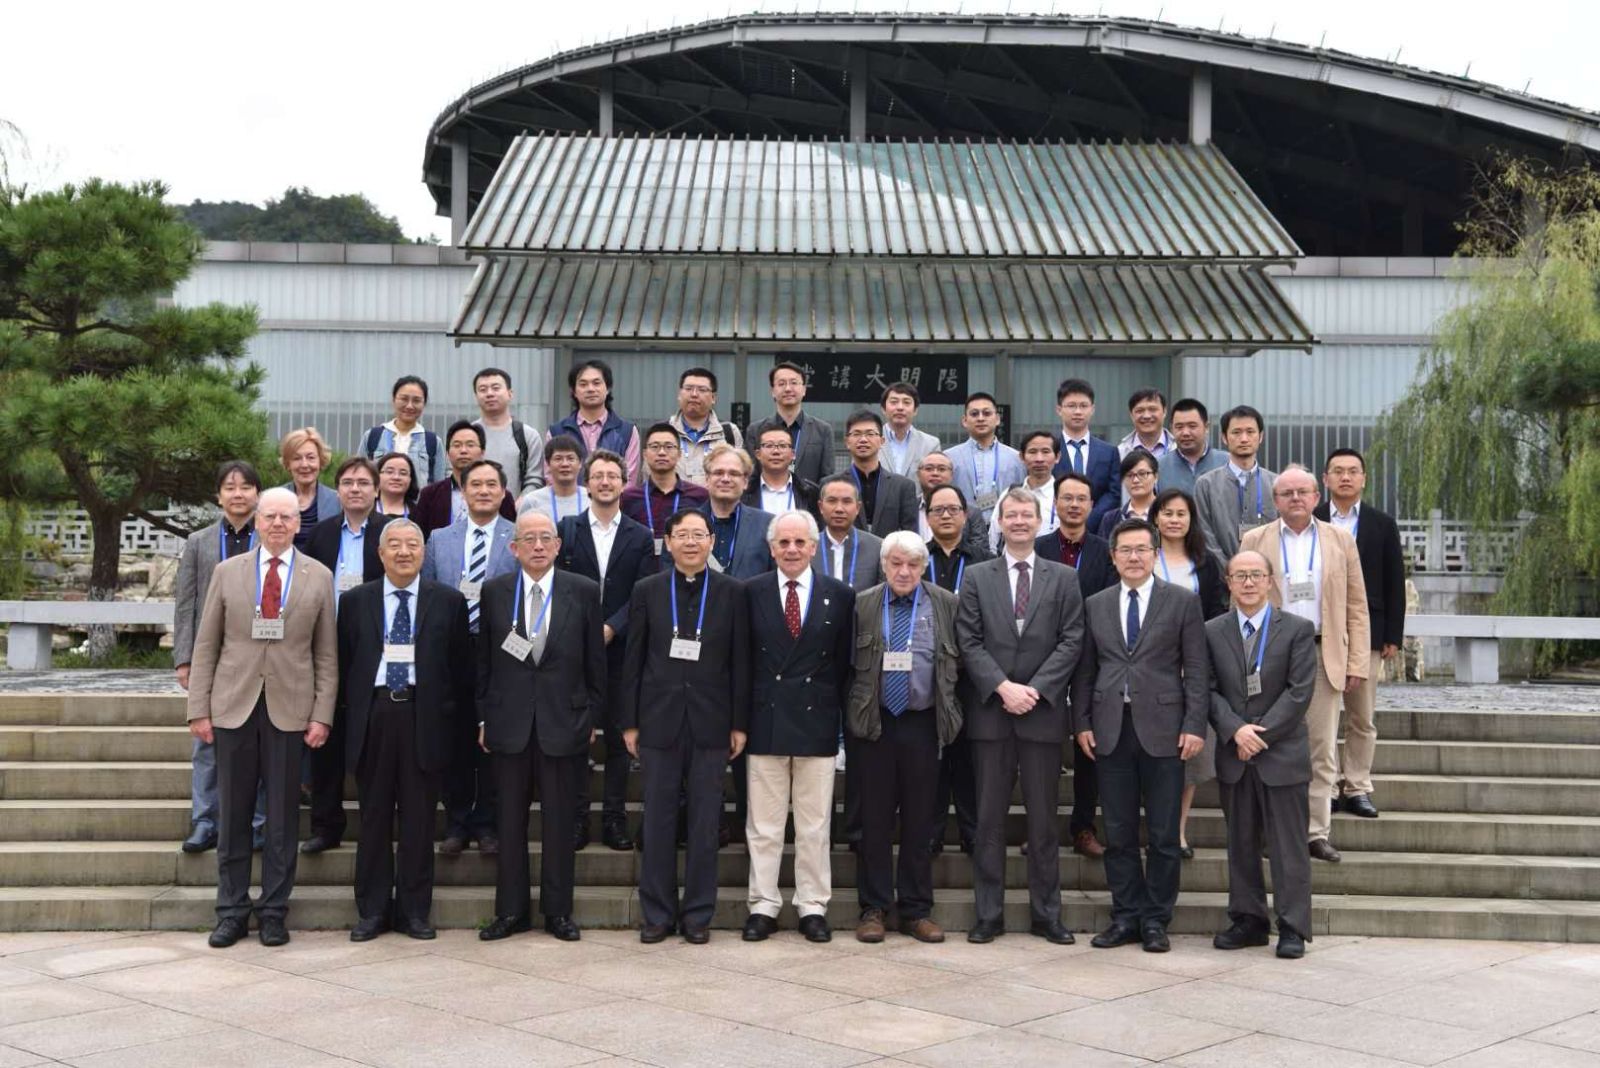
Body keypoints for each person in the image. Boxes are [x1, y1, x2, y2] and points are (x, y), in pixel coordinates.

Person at [186, 487, 338, 949]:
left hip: (290, 711)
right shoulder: (227, 572)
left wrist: (322, 714)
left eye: (286, 517)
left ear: (297, 524)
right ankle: (231, 911)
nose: (277, 524)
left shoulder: (318, 576)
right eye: (269, 516)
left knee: (282, 820)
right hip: (233, 706)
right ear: (256, 521)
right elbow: (207, 644)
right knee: (232, 816)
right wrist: (199, 708)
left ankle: (274, 910)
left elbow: (326, 654)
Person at [1071, 519, 1209, 954]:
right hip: (1110, 729)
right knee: (1118, 830)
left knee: (1164, 834)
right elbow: (1085, 670)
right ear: (1112, 557)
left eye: (1142, 550)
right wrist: (1082, 723)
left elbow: (1197, 670)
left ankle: (1155, 920)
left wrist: (1194, 724)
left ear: (1155, 555)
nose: (1134, 557)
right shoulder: (1095, 604)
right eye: (1125, 550)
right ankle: (1126, 915)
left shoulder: (1182, 601)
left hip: (1166, 730)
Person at [958, 488, 1084, 945]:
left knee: (1043, 822)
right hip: (992, 715)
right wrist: (1002, 687)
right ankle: (988, 914)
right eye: (1010, 515)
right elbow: (968, 640)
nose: (1018, 522)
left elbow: (1072, 639)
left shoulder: (1064, 578)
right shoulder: (977, 576)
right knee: (988, 821)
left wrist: (1036, 689)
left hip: (1041, 716)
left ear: (1039, 520)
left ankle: (1046, 914)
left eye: (1026, 514)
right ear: (1000, 522)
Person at [620, 509, 750, 944]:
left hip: (712, 723)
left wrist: (739, 723)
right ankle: (657, 914)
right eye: (682, 535)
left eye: (699, 534)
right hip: (658, 722)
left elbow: (740, 663)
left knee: (704, 823)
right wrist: (629, 722)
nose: (691, 542)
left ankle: (697, 914)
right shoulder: (647, 590)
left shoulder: (733, 592)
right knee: (657, 821)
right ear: (668, 542)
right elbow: (633, 660)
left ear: (711, 541)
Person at [338, 520, 472, 942]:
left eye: (412, 544)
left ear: (423, 553)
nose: (403, 552)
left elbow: (460, 670)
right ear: (380, 554)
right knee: (374, 817)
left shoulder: (448, 601)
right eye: (393, 545)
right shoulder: (355, 601)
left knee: (419, 820)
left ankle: (414, 911)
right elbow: (344, 663)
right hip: (374, 715)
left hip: (423, 716)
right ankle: (372, 911)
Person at [476, 512, 607, 942]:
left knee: (560, 823)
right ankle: (510, 912)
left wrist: (590, 717)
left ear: (557, 546)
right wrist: (483, 716)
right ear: (513, 548)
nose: (537, 546)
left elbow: (595, 663)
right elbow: (484, 663)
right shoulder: (495, 591)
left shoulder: (582, 591)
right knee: (509, 824)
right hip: (508, 724)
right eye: (528, 539)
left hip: (564, 723)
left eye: (545, 538)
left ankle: (558, 912)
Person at [1241, 465, 1369, 864]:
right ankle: (1270, 830)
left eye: (1303, 492)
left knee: (1321, 746)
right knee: (1268, 741)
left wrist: (1357, 661)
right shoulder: (1254, 539)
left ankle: (1315, 832)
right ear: (1275, 500)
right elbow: (1240, 598)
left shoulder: (1340, 539)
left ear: (1317, 497)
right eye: (1287, 493)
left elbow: (1356, 604)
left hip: (1322, 650)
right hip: (1270, 652)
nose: (1295, 498)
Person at [741, 510, 855, 943]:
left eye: (799, 542)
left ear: (813, 547)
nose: (791, 550)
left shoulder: (839, 595)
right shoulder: (750, 592)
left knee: (814, 825)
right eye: (783, 543)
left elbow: (843, 665)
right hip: (765, 720)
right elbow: (743, 662)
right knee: (764, 826)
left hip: (817, 721)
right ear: (771, 549)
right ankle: (763, 905)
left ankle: (812, 906)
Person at [847, 531, 961, 945]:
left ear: (923, 567)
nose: (904, 571)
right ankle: (873, 908)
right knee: (874, 820)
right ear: (883, 565)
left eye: (913, 564)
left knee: (920, 819)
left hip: (923, 722)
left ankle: (916, 909)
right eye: (896, 563)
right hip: (875, 723)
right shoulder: (862, 604)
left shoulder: (945, 603)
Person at [1207, 550, 1318, 960]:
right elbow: (1206, 689)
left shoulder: (1298, 630)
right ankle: (1248, 921)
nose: (1249, 582)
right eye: (1240, 576)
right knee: (1241, 843)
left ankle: (1292, 927)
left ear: (1271, 581)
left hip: (1281, 754)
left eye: (1256, 574)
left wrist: (1259, 734)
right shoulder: (1212, 631)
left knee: (1289, 846)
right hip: (1234, 753)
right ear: (1229, 583)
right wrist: (1235, 729)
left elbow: (1299, 692)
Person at [558, 449, 659, 852]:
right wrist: (587, 629)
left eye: (612, 476)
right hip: (574, 651)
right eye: (597, 475)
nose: (604, 482)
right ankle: (577, 818)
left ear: (623, 483)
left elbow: (643, 593)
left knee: (619, 740)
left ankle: (615, 818)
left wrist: (613, 626)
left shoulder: (640, 535)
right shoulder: (567, 529)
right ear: (587, 483)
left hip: (622, 652)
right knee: (577, 738)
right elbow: (560, 585)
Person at [422, 459, 520, 856]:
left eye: (491, 484)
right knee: (457, 737)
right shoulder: (438, 539)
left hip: (501, 650)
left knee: (493, 739)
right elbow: (429, 591)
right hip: (452, 650)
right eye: (475, 484)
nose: (483, 491)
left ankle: (487, 823)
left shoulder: (517, 537)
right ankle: (457, 822)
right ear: (462, 492)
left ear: (503, 492)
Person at [301, 457, 395, 856]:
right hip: (325, 644)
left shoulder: (391, 532)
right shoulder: (321, 534)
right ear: (337, 490)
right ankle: (325, 825)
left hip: (375, 647)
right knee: (325, 736)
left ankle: (377, 823)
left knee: (371, 737)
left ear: (377, 489)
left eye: (363, 483)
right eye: (347, 483)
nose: (355, 489)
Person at [174, 460, 267, 854]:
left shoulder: (271, 535)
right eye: (230, 487)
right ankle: (205, 821)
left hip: (262, 656)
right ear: (218, 496)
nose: (238, 494)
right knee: (207, 740)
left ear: (257, 493)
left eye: (245, 487)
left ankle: (259, 823)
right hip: (211, 656)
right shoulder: (200, 542)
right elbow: (186, 603)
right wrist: (184, 658)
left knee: (261, 742)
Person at [1315, 448, 1406, 821]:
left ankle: (1357, 786)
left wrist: (1392, 635)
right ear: (1325, 479)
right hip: (1321, 631)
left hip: (1367, 632)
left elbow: (1394, 581)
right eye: (1338, 471)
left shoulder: (1381, 524)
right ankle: (1326, 787)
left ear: (1364, 479)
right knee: (1321, 718)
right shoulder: (1312, 519)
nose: (1345, 477)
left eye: (1353, 471)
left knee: (1362, 715)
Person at [1032, 472, 1114, 860]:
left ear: (1092, 505)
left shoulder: (1105, 550)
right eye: (1067, 498)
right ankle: (1041, 829)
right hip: (1044, 658)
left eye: (1082, 498)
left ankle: (1083, 827)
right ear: (1055, 503)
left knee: (1088, 746)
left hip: (1092, 657)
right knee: (1042, 750)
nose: (1075, 505)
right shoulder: (1038, 548)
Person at [1151, 487, 1229, 860]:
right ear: (1155, 517)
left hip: (1193, 667)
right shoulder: (1143, 557)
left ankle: (1178, 830)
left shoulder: (1206, 563)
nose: (1174, 520)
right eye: (1167, 513)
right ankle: (1154, 827)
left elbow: (1215, 614)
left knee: (1188, 756)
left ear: (1191, 519)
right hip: (1149, 667)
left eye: (1181, 513)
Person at [923, 483, 987, 857]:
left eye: (953, 509)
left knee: (968, 758)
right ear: (927, 517)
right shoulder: (916, 559)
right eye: (938, 510)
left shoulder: (984, 561)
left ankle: (972, 832)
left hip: (971, 673)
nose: (946, 515)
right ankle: (931, 834)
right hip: (927, 672)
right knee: (932, 758)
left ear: (965, 515)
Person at [1194, 404, 1277, 570]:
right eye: (1236, 432)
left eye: (1250, 432)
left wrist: (1264, 572)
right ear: (1224, 438)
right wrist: (1230, 571)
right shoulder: (1206, 484)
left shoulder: (1277, 483)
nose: (1244, 439)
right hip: (1220, 578)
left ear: (1261, 436)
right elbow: (1205, 534)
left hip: (1268, 577)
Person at [414, 421, 517, 536]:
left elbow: (510, 536)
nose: (463, 451)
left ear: (482, 452)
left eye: (470, 445)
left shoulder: (501, 496)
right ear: (447, 453)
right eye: (457, 445)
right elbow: (419, 537)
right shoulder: (430, 495)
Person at [547, 357, 641, 483]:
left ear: (608, 388)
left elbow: (629, 479)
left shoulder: (627, 432)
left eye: (596, 383)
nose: (590, 389)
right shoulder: (556, 432)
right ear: (574, 391)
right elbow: (550, 476)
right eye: (583, 384)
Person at [621, 422, 711, 552]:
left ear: (679, 454)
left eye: (669, 447)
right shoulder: (628, 498)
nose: (662, 452)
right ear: (645, 454)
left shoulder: (700, 496)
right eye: (655, 447)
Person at [1052, 378, 1122, 535]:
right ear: (1059, 409)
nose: (1078, 412)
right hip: (1056, 528)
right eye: (1071, 406)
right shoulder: (1049, 450)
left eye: (1083, 406)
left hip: (1098, 531)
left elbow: (1114, 493)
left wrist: (1089, 519)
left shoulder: (1109, 452)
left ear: (1092, 409)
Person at [747, 361, 835, 487]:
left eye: (794, 383)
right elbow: (751, 475)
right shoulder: (756, 430)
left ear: (804, 390)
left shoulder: (822, 430)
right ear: (772, 391)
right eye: (781, 384)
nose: (788, 389)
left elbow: (827, 477)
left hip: (809, 499)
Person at [698, 443, 775, 579]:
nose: (725, 479)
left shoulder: (768, 525)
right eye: (718, 472)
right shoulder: (682, 524)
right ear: (707, 479)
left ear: (745, 482)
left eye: (733, 473)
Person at [839, 409, 919, 536]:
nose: (863, 439)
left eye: (870, 434)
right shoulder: (832, 484)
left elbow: (910, 535)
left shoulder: (903, 487)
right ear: (847, 442)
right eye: (856, 434)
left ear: (882, 441)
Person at [946, 392, 1025, 514]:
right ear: (965, 421)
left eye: (987, 413)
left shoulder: (1016, 458)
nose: (981, 418)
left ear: (997, 419)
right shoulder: (949, 457)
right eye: (974, 414)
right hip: (963, 523)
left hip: (1005, 522)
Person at [472, 367, 545, 495]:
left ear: (510, 394)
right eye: (483, 390)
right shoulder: (467, 434)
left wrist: (519, 504)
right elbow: (453, 473)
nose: (489, 394)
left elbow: (535, 478)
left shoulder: (528, 435)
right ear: (476, 397)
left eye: (496, 388)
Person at [360, 375, 442, 485]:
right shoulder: (372, 436)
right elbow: (360, 476)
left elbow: (439, 485)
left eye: (416, 401)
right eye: (404, 399)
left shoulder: (433, 441)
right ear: (393, 400)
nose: (409, 406)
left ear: (424, 404)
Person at [669, 367, 743, 485]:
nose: (694, 394)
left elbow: (739, 474)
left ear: (713, 398)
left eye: (702, 390)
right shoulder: (665, 431)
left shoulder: (729, 432)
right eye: (688, 389)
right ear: (679, 394)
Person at [987, 430, 1059, 551]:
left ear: (1057, 457)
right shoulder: (1009, 494)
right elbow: (994, 537)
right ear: (1022, 457)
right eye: (1032, 452)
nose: (1039, 459)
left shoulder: (1063, 497)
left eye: (1045, 452)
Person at [813, 476, 884, 592]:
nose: (839, 509)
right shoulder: (807, 546)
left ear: (857, 508)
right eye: (832, 501)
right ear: (821, 507)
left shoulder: (878, 547)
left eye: (846, 502)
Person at [916, 451, 990, 552]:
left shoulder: (972, 513)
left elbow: (980, 553)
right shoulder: (906, 507)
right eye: (929, 469)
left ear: (951, 475)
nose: (935, 473)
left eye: (942, 469)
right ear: (918, 474)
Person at [278, 427, 337, 550]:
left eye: (311, 458)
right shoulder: (274, 499)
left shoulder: (337, 501)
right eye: (297, 458)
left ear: (321, 461)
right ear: (288, 464)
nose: (304, 465)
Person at [745, 423, 819, 518]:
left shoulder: (810, 493)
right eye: (769, 446)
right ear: (758, 454)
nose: (776, 451)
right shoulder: (744, 491)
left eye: (783, 446)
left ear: (793, 454)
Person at [1157, 398, 1226, 495]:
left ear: (1206, 427)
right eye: (1179, 427)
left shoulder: (1227, 462)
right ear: (1172, 429)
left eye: (1192, 426)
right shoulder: (1159, 467)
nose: (1185, 433)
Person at [518, 434, 587, 522]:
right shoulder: (532, 501)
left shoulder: (591, 499)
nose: (565, 464)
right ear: (548, 463)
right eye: (558, 459)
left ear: (580, 463)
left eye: (570, 458)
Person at [880, 380, 942, 478]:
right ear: (883, 409)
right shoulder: (870, 440)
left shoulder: (930, 444)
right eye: (894, 402)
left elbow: (934, 479)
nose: (900, 407)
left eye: (906, 402)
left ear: (915, 410)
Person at [1096, 451, 1159, 541]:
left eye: (1142, 474)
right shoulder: (1111, 519)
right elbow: (1103, 549)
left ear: (1156, 476)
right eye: (1130, 475)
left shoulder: (1166, 514)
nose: (1136, 480)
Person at [1117, 388, 1176, 461]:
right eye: (1140, 411)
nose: (1146, 416)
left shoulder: (1178, 448)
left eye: (1152, 409)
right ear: (1131, 415)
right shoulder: (1120, 453)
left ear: (1164, 412)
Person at [374, 452, 421, 520]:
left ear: (410, 479)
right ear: (377, 476)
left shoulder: (419, 514)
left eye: (403, 473)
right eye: (390, 472)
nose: (396, 477)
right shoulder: (365, 509)